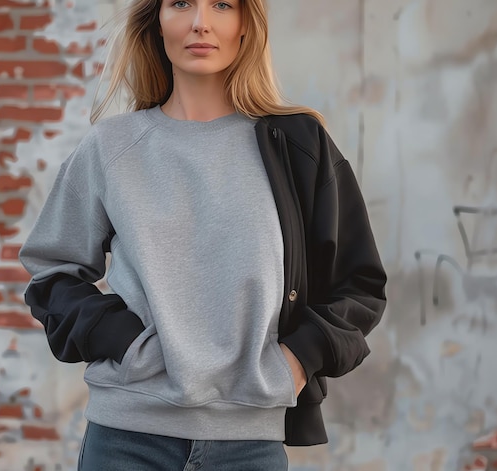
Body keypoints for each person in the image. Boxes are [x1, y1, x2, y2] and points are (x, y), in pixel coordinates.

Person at [19, 0, 387, 469]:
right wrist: (127, 344)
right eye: (180, 3)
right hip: (127, 439)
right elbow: (52, 274)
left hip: (250, 443)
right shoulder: (111, 147)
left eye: (221, 5)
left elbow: (360, 286)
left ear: (245, 25)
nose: (201, 23)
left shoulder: (299, 146)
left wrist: (295, 361)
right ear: (157, 21)